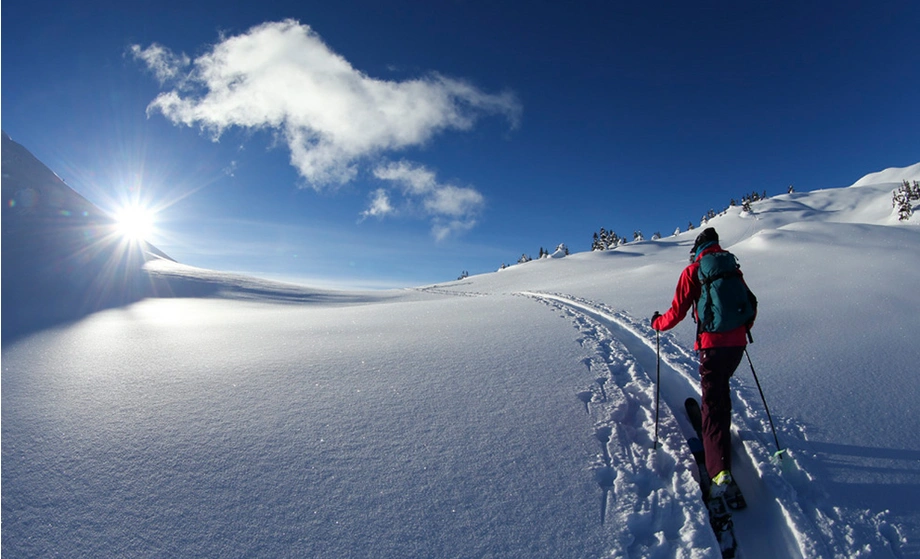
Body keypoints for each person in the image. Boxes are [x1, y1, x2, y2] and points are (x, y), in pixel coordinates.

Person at [651, 227, 754, 498]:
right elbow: (750, 303)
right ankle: (720, 433)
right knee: (721, 389)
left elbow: (677, 312)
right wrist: (741, 330)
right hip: (738, 344)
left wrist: (657, 324)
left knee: (712, 402)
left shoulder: (693, 271)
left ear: (697, 248)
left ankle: (718, 468)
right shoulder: (732, 268)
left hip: (713, 346)